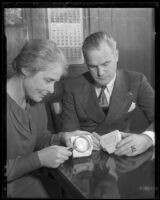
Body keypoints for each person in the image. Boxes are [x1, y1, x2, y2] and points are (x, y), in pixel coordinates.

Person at [6, 39, 89, 198]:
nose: (51, 90)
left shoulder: (35, 99)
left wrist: (62, 137)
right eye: (48, 80)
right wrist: (38, 159)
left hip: (34, 181)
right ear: (26, 69)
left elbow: (39, 138)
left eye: (54, 82)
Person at [61, 31, 155, 156]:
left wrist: (147, 139)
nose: (100, 73)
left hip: (124, 153)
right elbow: (69, 133)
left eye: (106, 64)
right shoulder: (72, 87)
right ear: (86, 63)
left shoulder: (136, 81)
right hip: (86, 157)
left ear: (116, 55)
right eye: (93, 67)